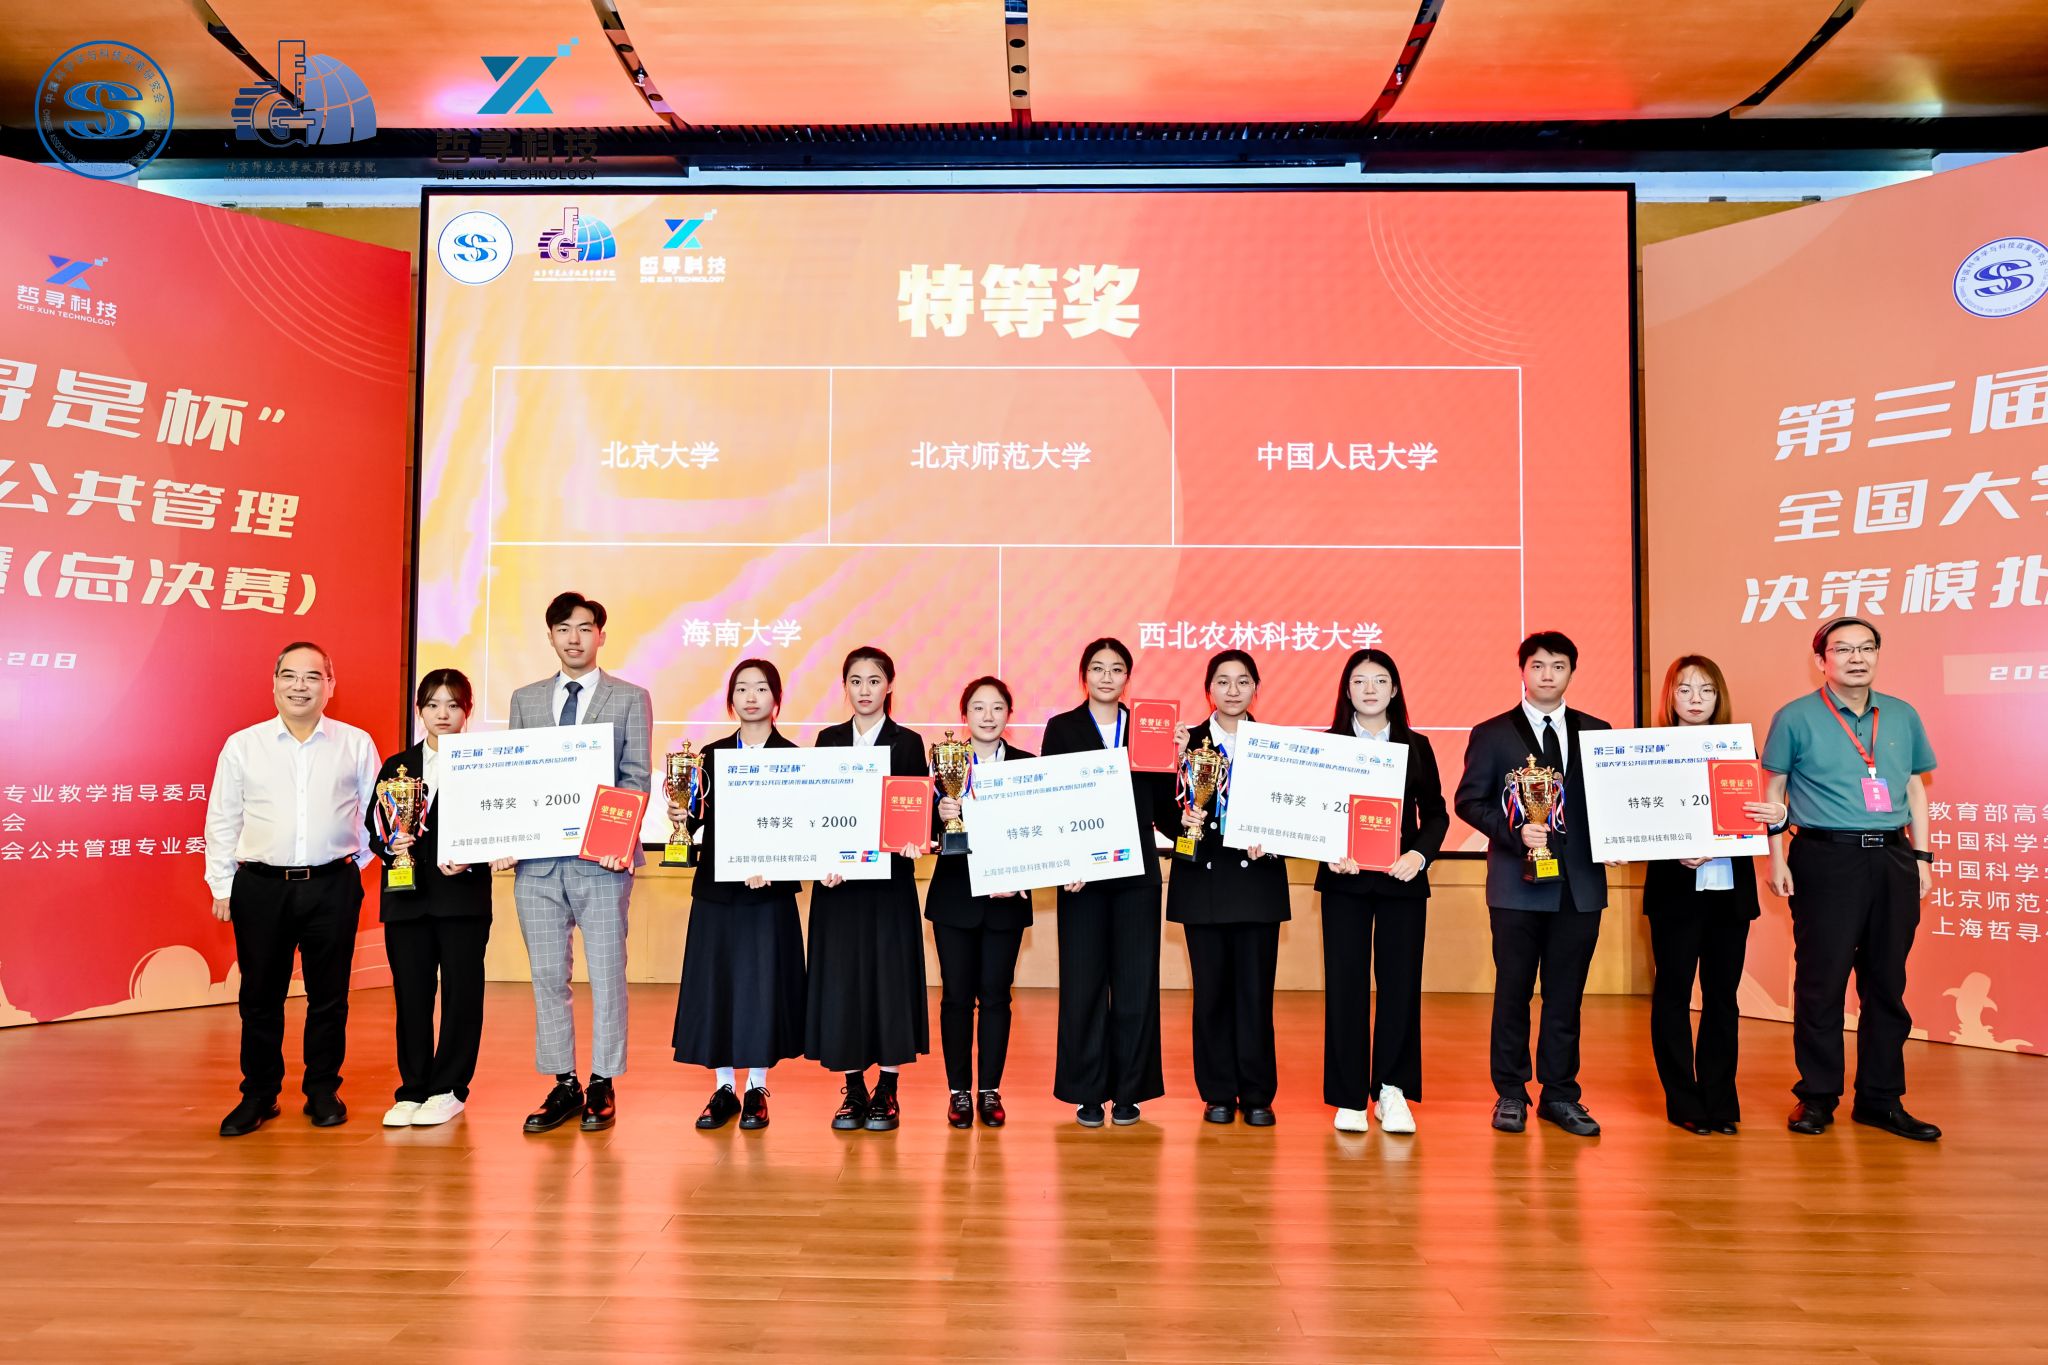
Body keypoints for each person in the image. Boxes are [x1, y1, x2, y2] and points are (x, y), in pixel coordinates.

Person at [1762, 618, 1940, 1142]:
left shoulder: (1902, 714)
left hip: (1892, 857)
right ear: (1822, 660)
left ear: (1878, 655)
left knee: (1887, 983)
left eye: (1866, 648)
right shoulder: (1795, 716)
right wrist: (1776, 859)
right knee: (1822, 982)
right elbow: (1773, 790)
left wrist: (1922, 857)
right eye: (1843, 649)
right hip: (1824, 858)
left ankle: (1881, 1099)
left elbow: (1915, 788)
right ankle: (1817, 1096)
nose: (1856, 658)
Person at [204, 641, 379, 1137]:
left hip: (332, 886)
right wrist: (222, 885)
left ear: (330, 685)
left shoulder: (355, 743)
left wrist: (351, 866)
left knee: (330, 996)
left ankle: (322, 1089)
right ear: (275, 683)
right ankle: (259, 1094)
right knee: (260, 997)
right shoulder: (244, 745)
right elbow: (222, 819)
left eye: (312, 676)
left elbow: (376, 814)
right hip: (261, 887)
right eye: (290, 676)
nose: (300, 686)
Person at [1454, 630, 1613, 1137]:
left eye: (1558, 666)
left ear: (1572, 672)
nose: (1548, 675)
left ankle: (1560, 1095)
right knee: (1513, 993)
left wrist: (1618, 839)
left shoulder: (1598, 732)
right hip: (1516, 886)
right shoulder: (1492, 733)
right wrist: (1514, 830)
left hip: (1579, 887)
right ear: (1522, 671)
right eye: (1538, 665)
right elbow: (1468, 801)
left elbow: (1613, 803)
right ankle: (1510, 1092)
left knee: (1566, 997)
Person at [505, 592, 653, 1135]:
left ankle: (603, 1082)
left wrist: (616, 838)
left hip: (602, 862)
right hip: (538, 865)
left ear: (601, 635)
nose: (574, 637)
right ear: (550, 636)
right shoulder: (525, 700)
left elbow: (635, 777)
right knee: (547, 976)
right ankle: (564, 1082)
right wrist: (508, 836)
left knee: (608, 976)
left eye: (585, 628)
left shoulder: (629, 697)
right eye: (564, 628)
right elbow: (514, 775)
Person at [1641, 656, 1787, 1135]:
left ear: (1719, 696)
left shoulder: (1738, 748)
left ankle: (1720, 1101)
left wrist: (1778, 817)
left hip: (1729, 894)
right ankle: (1683, 1099)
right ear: (1670, 696)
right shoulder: (1649, 751)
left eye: (1706, 690)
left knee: (1723, 998)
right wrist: (1671, 848)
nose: (1696, 699)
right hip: (1675, 894)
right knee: (1673, 994)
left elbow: (1758, 815)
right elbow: (1638, 819)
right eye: (1685, 689)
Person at [1041, 637, 1174, 1128]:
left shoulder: (1147, 728)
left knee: (1137, 987)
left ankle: (1129, 1091)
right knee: (1084, 986)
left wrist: (1186, 784)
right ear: (1084, 676)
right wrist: (1061, 864)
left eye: (1116, 669)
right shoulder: (1062, 728)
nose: (1106, 677)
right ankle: (1088, 1091)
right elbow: (1051, 801)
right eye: (1097, 668)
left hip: (1137, 875)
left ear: (1127, 679)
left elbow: (1165, 810)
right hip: (1082, 878)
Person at [1315, 648, 1448, 1135]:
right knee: (1345, 985)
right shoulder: (1327, 745)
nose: (1369, 689)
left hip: (1401, 880)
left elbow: (1436, 814)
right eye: (1359, 680)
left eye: (1379, 680)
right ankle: (1349, 1096)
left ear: (1394, 690)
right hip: (1345, 880)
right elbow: (1312, 810)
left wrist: (1420, 855)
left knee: (1400, 986)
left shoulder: (1417, 745)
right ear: (1346, 690)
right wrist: (1328, 849)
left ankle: (1391, 1090)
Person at [671, 660, 807, 1132]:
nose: (751, 697)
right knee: (719, 985)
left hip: (769, 893)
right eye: (742, 689)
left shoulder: (794, 758)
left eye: (761, 688)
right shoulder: (709, 756)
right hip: (718, 891)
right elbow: (692, 820)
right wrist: (680, 812)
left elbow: (803, 827)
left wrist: (776, 865)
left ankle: (757, 1088)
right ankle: (725, 1087)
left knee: (763, 988)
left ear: (777, 699)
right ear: (731, 700)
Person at [806, 646, 931, 1131]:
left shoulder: (908, 743)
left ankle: (889, 1090)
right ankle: (854, 1089)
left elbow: (915, 810)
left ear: (889, 686)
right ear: (845, 687)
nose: (864, 690)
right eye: (855, 681)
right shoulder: (828, 739)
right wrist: (822, 859)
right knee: (844, 984)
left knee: (889, 982)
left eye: (874, 681)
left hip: (889, 885)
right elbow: (816, 809)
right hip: (838, 886)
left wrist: (915, 838)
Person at [1165, 651, 1290, 1127]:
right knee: (1211, 995)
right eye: (1223, 681)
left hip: (1257, 885)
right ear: (1208, 690)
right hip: (1204, 883)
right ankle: (1217, 1091)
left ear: (1256, 688)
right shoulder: (1185, 743)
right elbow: (1160, 806)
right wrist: (1181, 819)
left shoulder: (1278, 746)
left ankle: (1258, 1094)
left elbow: (1295, 811)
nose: (1233, 690)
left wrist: (1274, 840)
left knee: (1255, 996)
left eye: (1243, 681)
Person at [366, 669, 494, 1129]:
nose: (443, 714)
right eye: (433, 704)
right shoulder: (397, 766)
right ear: (419, 710)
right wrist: (390, 845)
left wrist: (474, 856)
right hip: (407, 898)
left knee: (462, 995)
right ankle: (412, 1088)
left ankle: (450, 1088)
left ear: (467, 711)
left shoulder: (485, 763)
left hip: (462, 899)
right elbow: (375, 826)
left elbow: (502, 825)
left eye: (453, 705)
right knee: (411, 996)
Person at [926, 677, 1034, 1129]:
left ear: (1009, 714)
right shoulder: (940, 763)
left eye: (997, 708)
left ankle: (989, 1090)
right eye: (978, 708)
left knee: (995, 997)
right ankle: (958, 1092)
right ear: (964, 715)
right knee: (955, 997)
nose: (988, 717)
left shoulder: (1028, 767)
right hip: (955, 899)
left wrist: (1020, 876)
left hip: (1005, 902)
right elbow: (919, 829)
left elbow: (1039, 835)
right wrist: (939, 815)